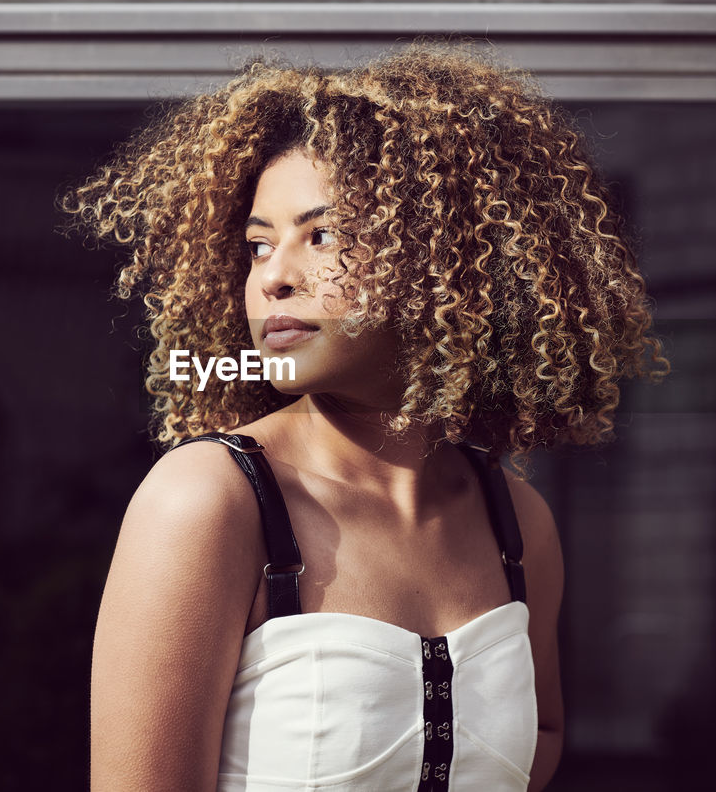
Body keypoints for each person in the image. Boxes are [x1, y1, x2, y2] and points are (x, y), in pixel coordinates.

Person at [63, 42, 667, 791]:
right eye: (258, 246)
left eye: (323, 235)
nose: (275, 276)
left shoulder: (518, 523)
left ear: (440, 257)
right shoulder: (208, 501)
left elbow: (538, 733)